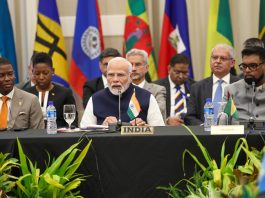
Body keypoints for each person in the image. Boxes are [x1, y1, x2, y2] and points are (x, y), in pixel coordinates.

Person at [80, 57, 165, 127]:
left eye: (120, 75)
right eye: (111, 75)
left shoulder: (147, 97)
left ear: (130, 76)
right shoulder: (96, 99)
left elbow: (159, 130)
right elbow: (84, 131)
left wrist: (144, 127)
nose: (115, 79)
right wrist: (103, 127)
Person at [184, 44, 240, 125]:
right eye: (214, 58)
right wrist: (203, 127)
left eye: (223, 58)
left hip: (234, 134)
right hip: (205, 135)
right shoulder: (197, 87)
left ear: (232, 63)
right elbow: (189, 116)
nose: (218, 61)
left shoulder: (241, 85)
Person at [25, 52, 78, 128]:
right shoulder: (27, 94)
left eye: (45, 73)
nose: (41, 77)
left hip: (58, 137)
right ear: (32, 72)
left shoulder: (65, 93)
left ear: (53, 71)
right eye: (37, 73)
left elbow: (72, 122)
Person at [0, 57, 44, 129]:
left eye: (10, 74)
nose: (7, 79)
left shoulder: (31, 100)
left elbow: (38, 134)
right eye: (1, 75)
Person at [224, 46, 265, 121]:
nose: (247, 70)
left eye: (253, 66)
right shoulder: (231, 90)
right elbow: (222, 122)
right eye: (244, 66)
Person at [126, 48, 166, 120]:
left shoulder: (158, 90)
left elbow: (159, 111)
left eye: (138, 64)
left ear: (147, 68)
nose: (134, 68)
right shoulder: (121, 90)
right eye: (131, 65)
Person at [155, 54, 195, 125]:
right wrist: (167, 121)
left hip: (190, 128)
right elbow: (153, 113)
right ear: (169, 69)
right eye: (177, 72)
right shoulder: (157, 86)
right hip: (166, 129)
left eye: (185, 73)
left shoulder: (194, 87)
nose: (181, 76)